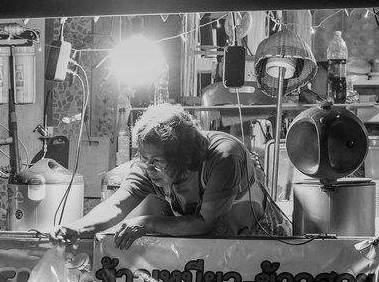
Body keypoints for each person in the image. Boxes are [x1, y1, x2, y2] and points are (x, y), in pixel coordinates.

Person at [54, 102, 285, 247]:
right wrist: (77, 228)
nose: (148, 167)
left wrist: (146, 223)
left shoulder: (224, 157)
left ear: (181, 158)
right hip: (210, 258)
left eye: (155, 162)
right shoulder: (148, 163)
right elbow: (117, 205)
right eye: (143, 159)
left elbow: (205, 223)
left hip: (263, 247)